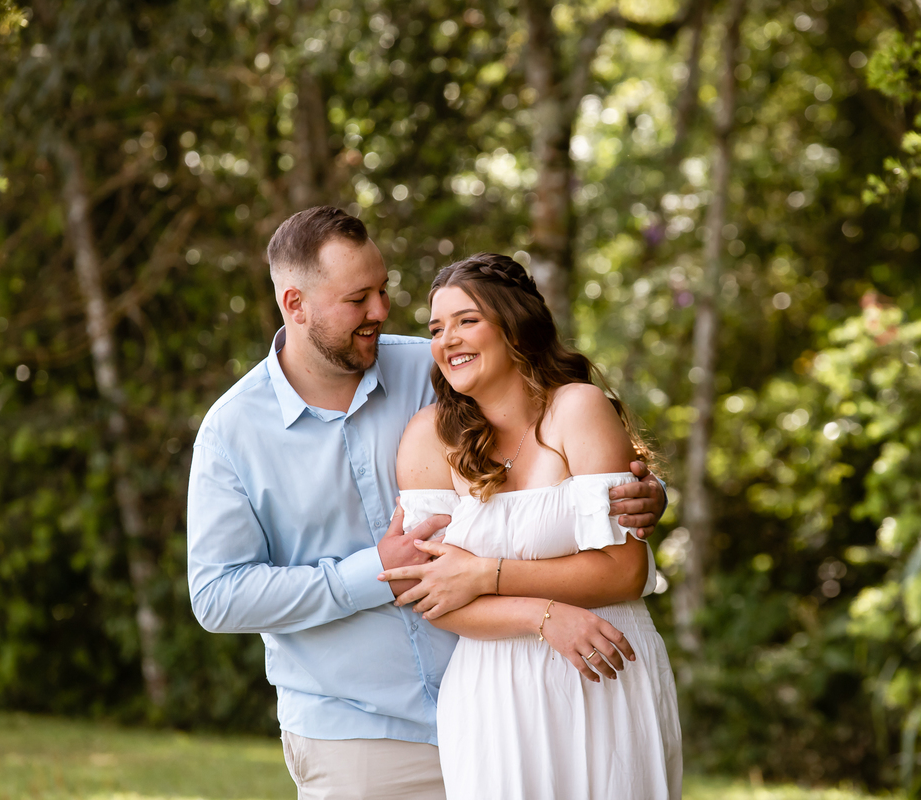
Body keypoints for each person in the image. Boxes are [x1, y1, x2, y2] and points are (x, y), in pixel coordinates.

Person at [186, 206, 667, 799]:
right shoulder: (233, 432)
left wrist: (645, 495)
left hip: (494, 706)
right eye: (358, 298)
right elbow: (216, 596)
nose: (382, 312)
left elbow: (563, 459)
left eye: (383, 290)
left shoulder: (435, 366)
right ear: (296, 304)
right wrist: (374, 573)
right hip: (360, 731)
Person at [383, 253, 682, 799]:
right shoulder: (429, 438)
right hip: (492, 693)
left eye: (466, 320)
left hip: (604, 670)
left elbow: (623, 570)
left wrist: (486, 574)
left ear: (514, 325)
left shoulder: (578, 409)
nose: (447, 339)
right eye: (435, 328)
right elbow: (432, 593)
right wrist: (543, 617)